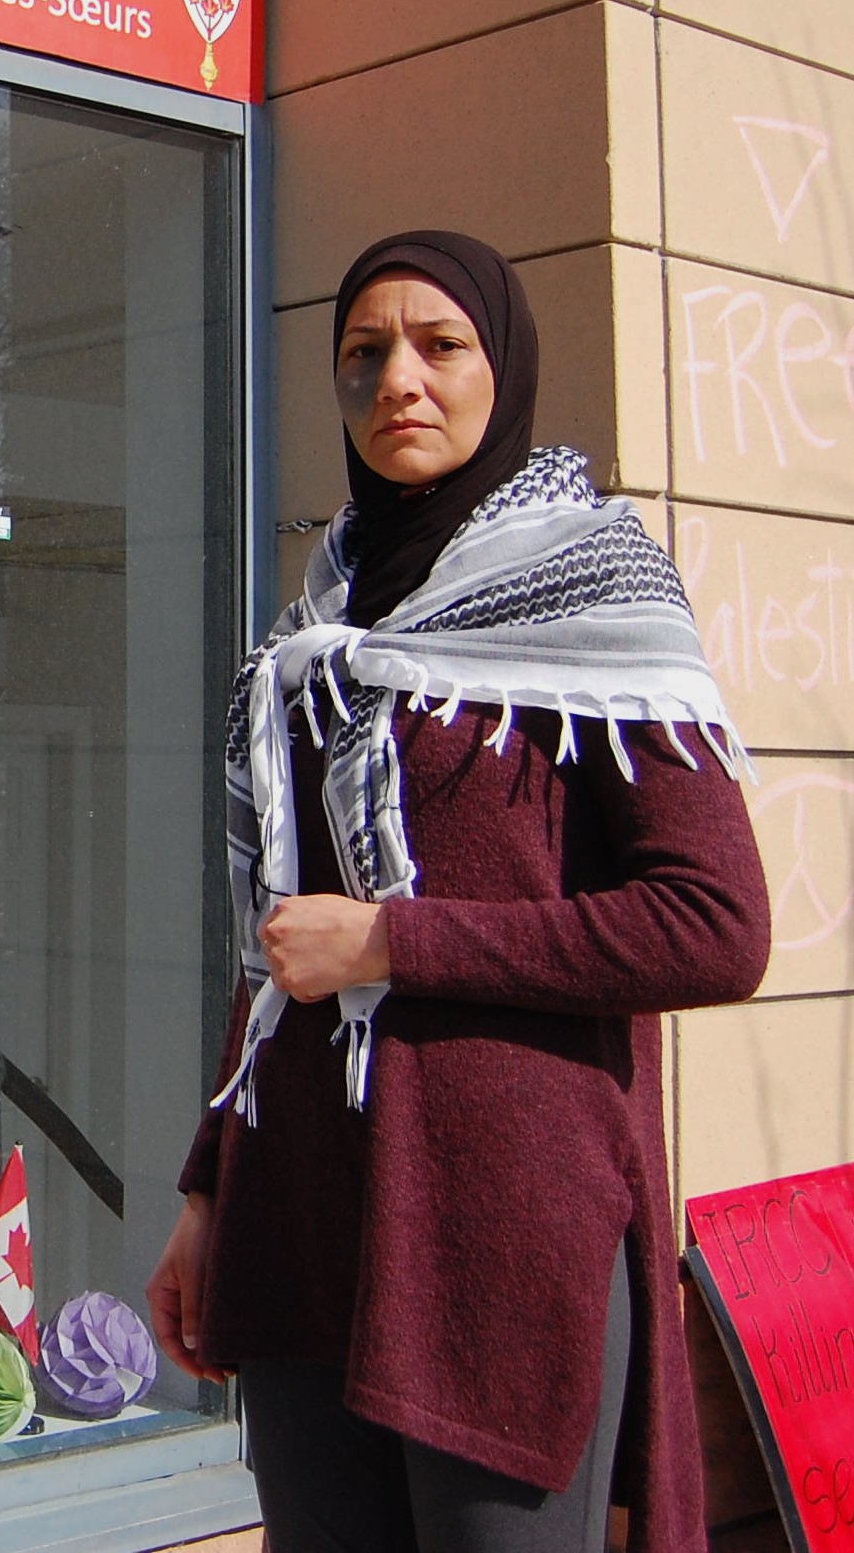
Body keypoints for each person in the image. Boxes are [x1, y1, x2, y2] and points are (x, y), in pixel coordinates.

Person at [147, 231, 770, 1553]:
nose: (398, 383)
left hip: (499, 1234)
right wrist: (207, 1193)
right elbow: (280, 951)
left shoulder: (597, 601)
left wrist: (393, 941)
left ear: (506, 366)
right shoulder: (320, 636)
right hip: (304, 1210)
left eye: (440, 346)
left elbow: (713, 928)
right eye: (363, 354)